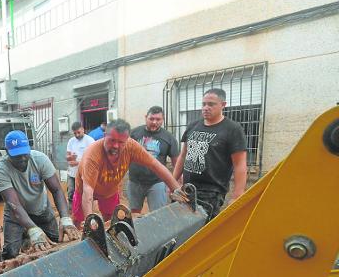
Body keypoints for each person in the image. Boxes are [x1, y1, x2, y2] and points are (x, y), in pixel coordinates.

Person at [73, 119, 184, 225]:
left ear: (127, 140)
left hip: (109, 192)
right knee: (81, 224)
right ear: (104, 136)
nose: (116, 146)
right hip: (85, 191)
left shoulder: (131, 146)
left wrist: (177, 189)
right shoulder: (93, 154)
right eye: (112, 140)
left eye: (121, 142)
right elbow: (87, 192)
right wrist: (90, 222)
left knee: (112, 223)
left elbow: (156, 166)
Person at [0, 130, 80, 259]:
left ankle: (27, 242)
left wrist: (65, 219)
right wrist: (33, 229)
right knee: (11, 254)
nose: (22, 158)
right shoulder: (0, 169)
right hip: (15, 215)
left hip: (41, 210)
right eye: (17, 156)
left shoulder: (40, 159)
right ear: (7, 152)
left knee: (55, 244)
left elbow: (56, 190)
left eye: (24, 153)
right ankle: (25, 240)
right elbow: (14, 203)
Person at [173, 88, 247, 220]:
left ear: (223, 105)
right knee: (179, 226)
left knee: (201, 230)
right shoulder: (193, 126)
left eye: (211, 104)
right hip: (186, 188)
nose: (206, 108)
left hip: (211, 192)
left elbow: (240, 164)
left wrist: (237, 196)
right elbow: (183, 155)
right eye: (203, 104)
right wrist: (172, 182)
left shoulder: (233, 129)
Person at [127, 106, 180, 214]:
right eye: (151, 119)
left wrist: (175, 185)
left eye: (158, 119)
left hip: (157, 183)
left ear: (163, 119)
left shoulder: (169, 138)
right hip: (134, 182)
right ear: (146, 117)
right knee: (134, 213)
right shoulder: (133, 134)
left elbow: (177, 163)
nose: (154, 122)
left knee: (158, 214)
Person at [66, 122, 95, 205]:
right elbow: (67, 156)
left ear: (83, 129)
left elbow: (93, 159)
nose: (77, 135)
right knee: (71, 191)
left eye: (78, 132)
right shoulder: (71, 141)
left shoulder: (90, 141)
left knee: (85, 193)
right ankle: (72, 209)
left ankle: (86, 211)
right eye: (75, 133)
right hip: (72, 172)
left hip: (85, 173)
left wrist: (78, 162)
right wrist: (70, 159)